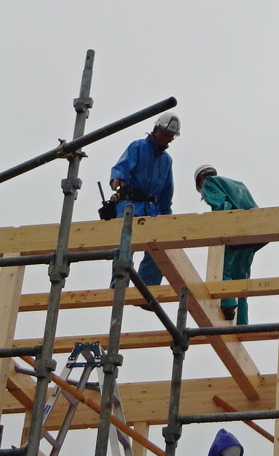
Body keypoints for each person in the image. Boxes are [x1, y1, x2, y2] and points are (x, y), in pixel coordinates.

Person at [103, 113, 179, 285]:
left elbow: (167, 192)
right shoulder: (138, 147)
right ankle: (119, 280)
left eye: (170, 136)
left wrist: (166, 216)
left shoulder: (166, 161)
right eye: (165, 134)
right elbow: (122, 166)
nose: (166, 139)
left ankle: (148, 288)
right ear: (156, 130)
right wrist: (117, 177)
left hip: (151, 209)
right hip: (129, 204)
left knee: (157, 244)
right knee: (126, 242)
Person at [195, 165, 263, 325]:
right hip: (252, 235)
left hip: (234, 231)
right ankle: (242, 324)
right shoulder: (238, 185)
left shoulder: (209, 183)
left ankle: (228, 305)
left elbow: (220, 206)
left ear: (200, 179)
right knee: (241, 280)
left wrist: (219, 230)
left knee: (222, 269)